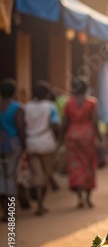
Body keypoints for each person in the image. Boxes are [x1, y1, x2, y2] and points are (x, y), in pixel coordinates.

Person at [59, 77, 102, 208]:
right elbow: (95, 121)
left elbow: (65, 122)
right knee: (89, 165)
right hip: (88, 136)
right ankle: (88, 198)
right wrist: (99, 137)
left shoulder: (68, 103)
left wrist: (60, 138)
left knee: (75, 166)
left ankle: (79, 197)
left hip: (72, 135)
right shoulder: (91, 102)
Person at [25, 81, 60, 216]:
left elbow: (23, 125)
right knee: (46, 173)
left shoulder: (27, 107)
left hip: (31, 142)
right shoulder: (50, 106)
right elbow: (56, 125)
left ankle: (39, 203)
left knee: (36, 174)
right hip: (46, 143)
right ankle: (41, 203)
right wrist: (57, 140)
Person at [0, 79, 26, 221]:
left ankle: (4, 211)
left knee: (2, 177)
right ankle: (9, 213)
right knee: (11, 177)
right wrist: (24, 145)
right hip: (13, 145)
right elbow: (20, 128)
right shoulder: (18, 107)